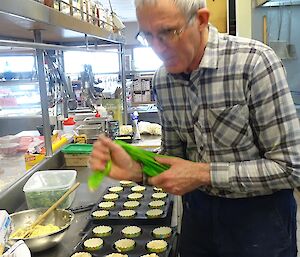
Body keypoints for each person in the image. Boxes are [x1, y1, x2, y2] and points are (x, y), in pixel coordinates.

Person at [90, 0, 300, 256]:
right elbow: (174, 161)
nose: (157, 48)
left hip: (260, 219)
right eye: (148, 36)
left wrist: (202, 174)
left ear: (201, 20)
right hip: (198, 217)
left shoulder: (253, 63)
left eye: (168, 33)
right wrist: (139, 168)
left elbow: (291, 167)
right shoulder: (163, 81)